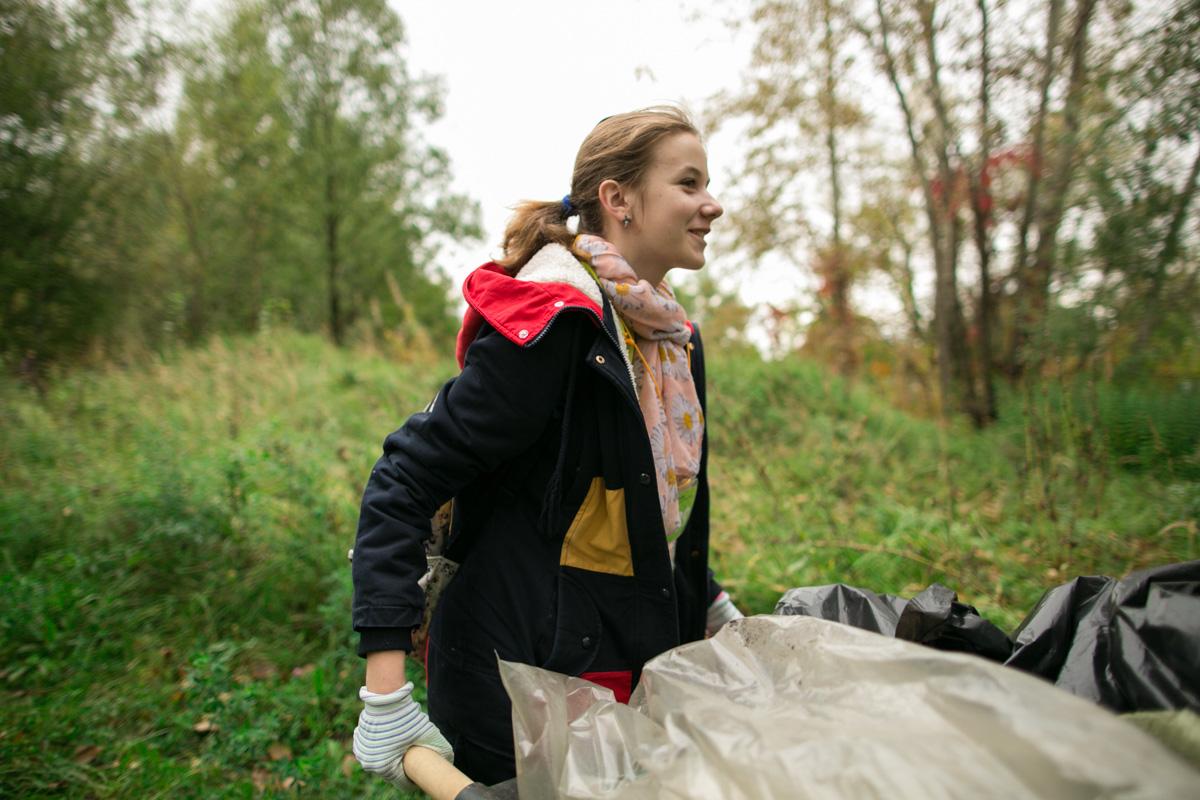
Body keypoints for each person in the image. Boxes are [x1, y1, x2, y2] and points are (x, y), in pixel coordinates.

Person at [350, 106, 743, 789]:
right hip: (513, 685)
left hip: (622, 668)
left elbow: (638, 507)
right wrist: (384, 693)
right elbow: (404, 480)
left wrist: (706, 602)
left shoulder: (674, 342)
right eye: (688, 183)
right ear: (617, 199)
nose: (712, 204)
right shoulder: (559, 326)